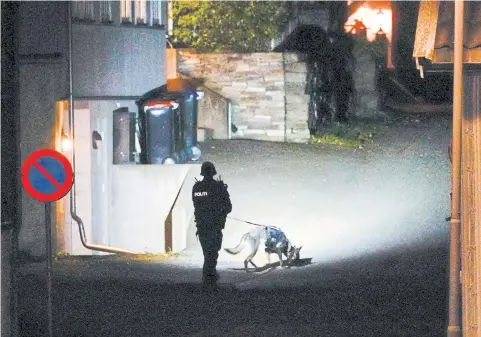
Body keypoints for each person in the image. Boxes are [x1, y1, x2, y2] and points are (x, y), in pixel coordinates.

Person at [192, 161, 232, 289]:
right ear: (213, 172)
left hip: (203, 227)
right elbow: (228, 207)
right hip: (214, 226)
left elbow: (197, 205)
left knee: (207, 253)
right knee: (212, 253)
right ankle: (209, 278)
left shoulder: (197, 188)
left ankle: (208, 277)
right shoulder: (219, 187)